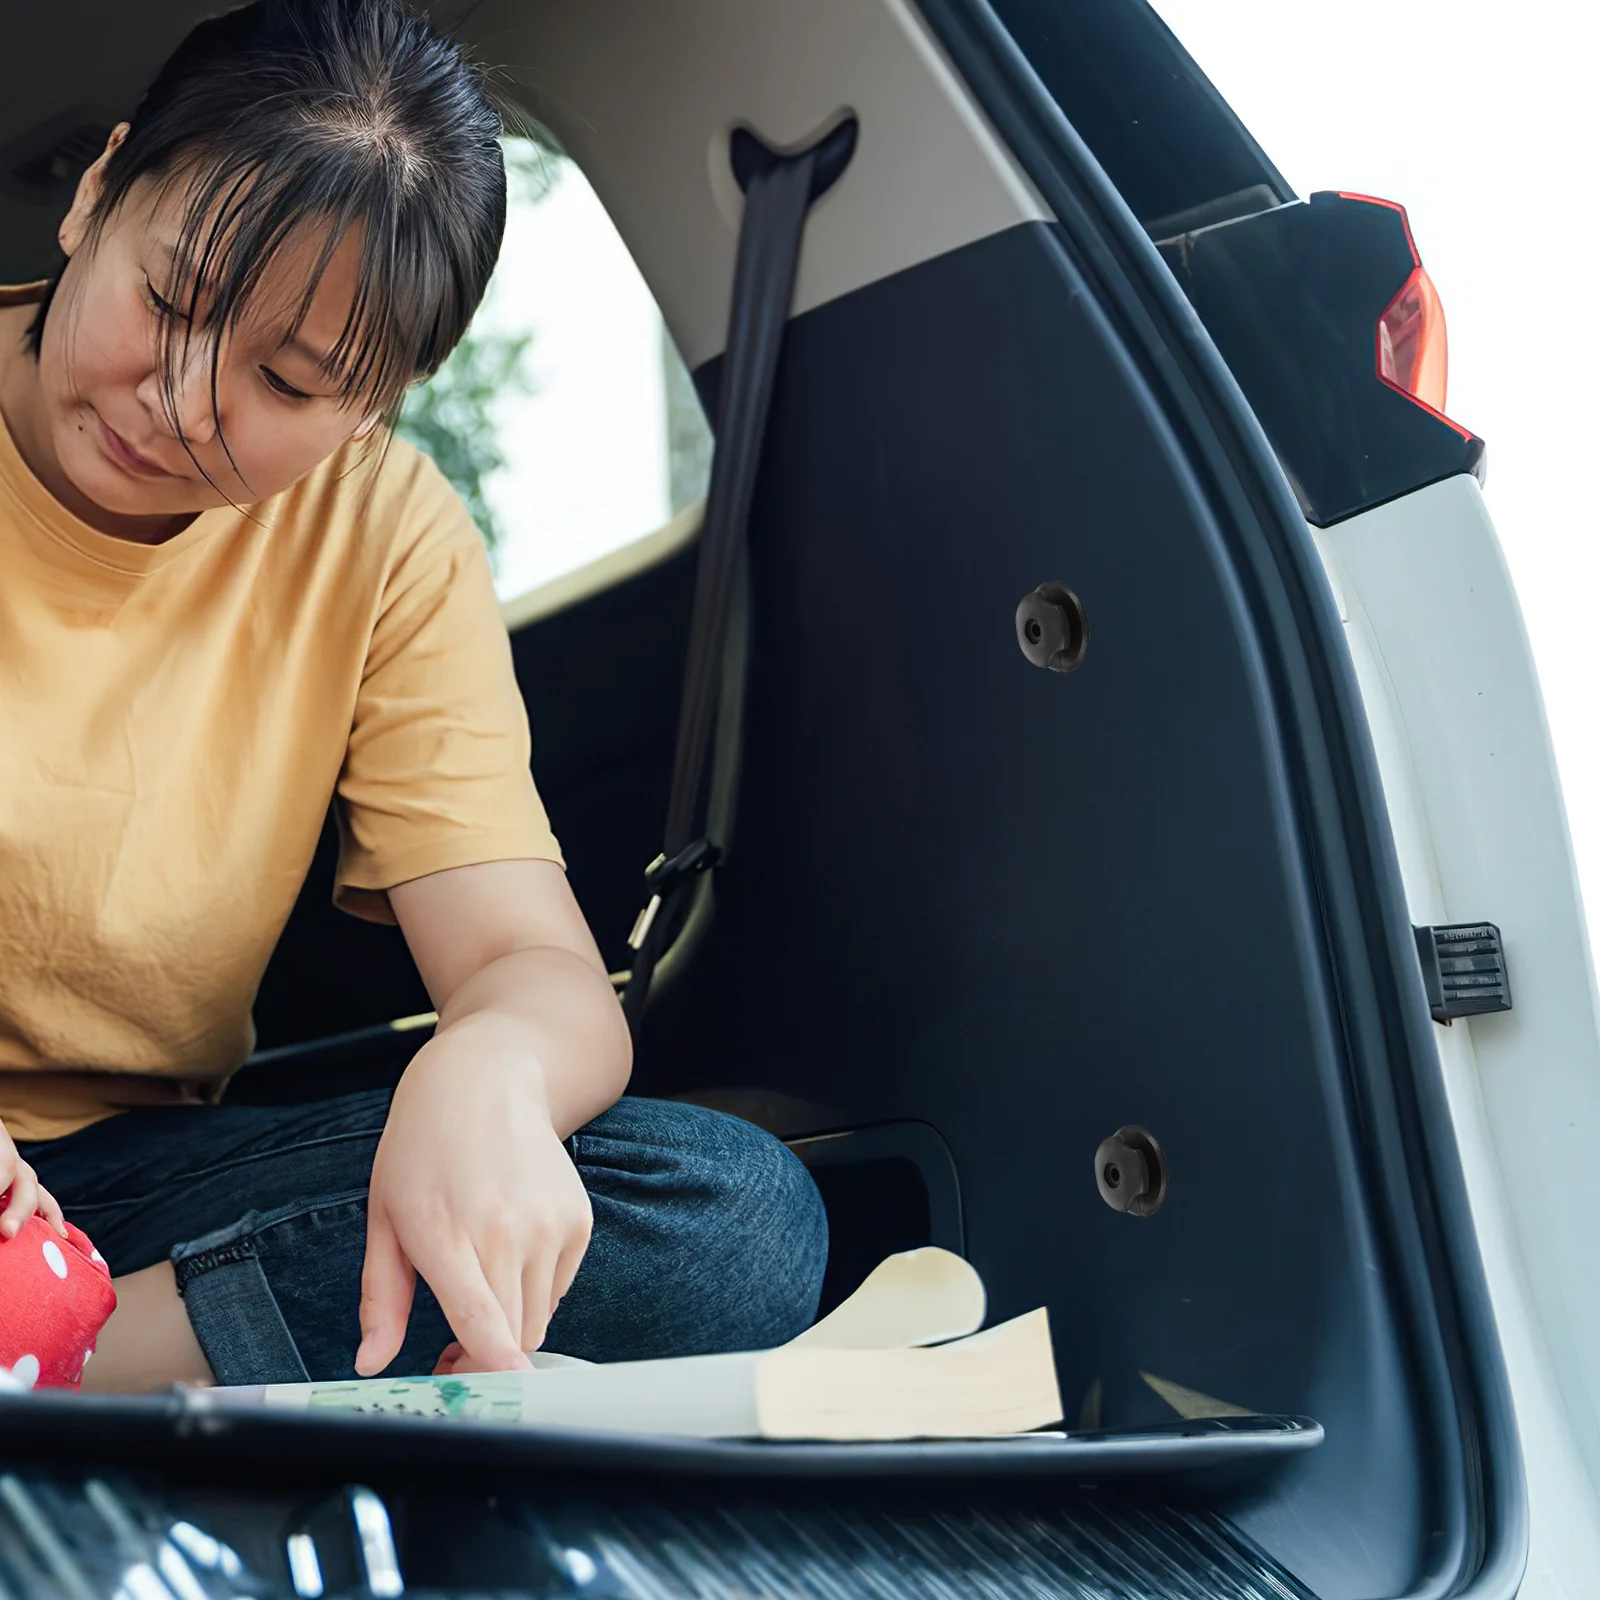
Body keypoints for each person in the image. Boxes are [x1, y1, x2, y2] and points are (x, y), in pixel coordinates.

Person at [0, 0, 826, 1392]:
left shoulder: (384, 537)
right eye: (173, 300)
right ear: (98, 192)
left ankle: (68, 1364)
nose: (185, 403)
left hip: (122, 1203)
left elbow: (536, 972)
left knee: (728, 1216)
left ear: (377, 403)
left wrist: (490, 1074)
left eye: (286, 379)